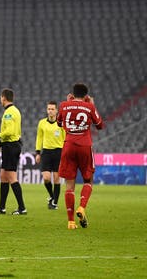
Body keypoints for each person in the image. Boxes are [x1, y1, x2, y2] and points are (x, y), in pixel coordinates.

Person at [57, 83, 104, 230]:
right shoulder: (89, 106)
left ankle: (71, 222)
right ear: (85, 96)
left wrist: (68, 103)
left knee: (69, 186)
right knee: (88, 180)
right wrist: (92, 105)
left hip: (69, 145)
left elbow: (59, 123)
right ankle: (82, 208)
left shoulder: (64, 105)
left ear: (72, 94)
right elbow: (100, 125)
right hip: (84, 146)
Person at [0, 88, 27, 215]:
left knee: (11, 177)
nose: (0, 100)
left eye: (0, 97)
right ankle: (1, 208)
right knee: (3, 176)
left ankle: (22, 208)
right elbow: (12, 132)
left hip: (11, 147)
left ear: (3, 98)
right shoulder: (15, 111)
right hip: (9, 145)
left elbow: (9, 132)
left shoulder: (9, 112)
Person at [35, 101, 66, 210]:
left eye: (52, 109)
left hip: (58, 152)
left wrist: (65, 153)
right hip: (46, 152)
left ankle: (54, 203)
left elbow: (66, 139)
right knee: (46, 178)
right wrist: (38, 153)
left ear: (57, 110)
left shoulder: (61, 123)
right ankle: (52, 196)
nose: (50, 111)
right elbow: (39, 138)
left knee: (56, 178)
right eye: (49, 109)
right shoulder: (42, 123)